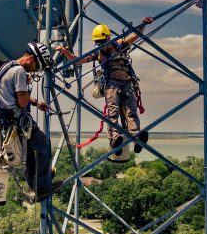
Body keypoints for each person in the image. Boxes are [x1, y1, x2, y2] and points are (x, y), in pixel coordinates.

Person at [55, 17, 153, 157]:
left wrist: (143, 24)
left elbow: (135, 36)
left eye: (102, 41)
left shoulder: (120, 44)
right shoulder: (99, 54)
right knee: (113, 114)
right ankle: (114, 139)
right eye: (98, 42)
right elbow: (79, 61)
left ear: (108, 38)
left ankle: (136, 138)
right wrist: (65, 52)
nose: (100, 44)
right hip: (112, 86)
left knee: (131, 112)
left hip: (127, 84)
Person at [0, 42, 58, 199]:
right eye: (36, 66)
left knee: (34, 150)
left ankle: (38, 182)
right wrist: (27, 86)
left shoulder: (7, 66)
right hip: (17, 119)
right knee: (43, 145)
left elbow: (11, 95)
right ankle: (42, 186)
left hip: (5, 119)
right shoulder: (19, 71)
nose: (35, 71)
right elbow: (22, 102)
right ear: (32, 58)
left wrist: (35, 102)